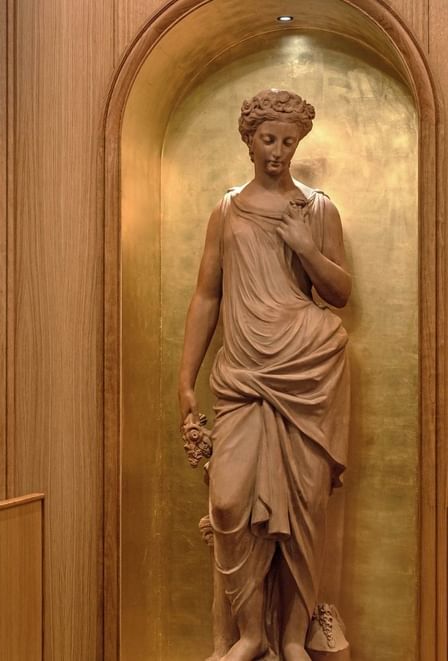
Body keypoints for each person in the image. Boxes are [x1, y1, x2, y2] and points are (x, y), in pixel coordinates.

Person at [178, 90, 351, 661]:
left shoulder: (318, 210)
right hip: (243, 373)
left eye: (288, 141)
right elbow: (207, 295)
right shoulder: (227, 209)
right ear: (249, 140)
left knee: (304, 509)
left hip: (308, 369)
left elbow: (339, 292)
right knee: (229, 504)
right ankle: (250, 635)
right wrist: (185, 379)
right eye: (268, 139)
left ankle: (294, 639)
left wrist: (306, 248)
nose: (278, 151)